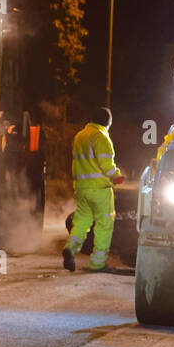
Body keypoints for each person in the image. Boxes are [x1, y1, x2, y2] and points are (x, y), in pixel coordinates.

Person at [64, 105, 124, 272]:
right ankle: (98, 263)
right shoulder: (101, 137)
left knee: (82, 221)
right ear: (108, 122)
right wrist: (117, 176)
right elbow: (107, 165)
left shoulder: (80, 136)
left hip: (81, 188)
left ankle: (70, 248)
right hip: (100, 189)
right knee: (104, 224)